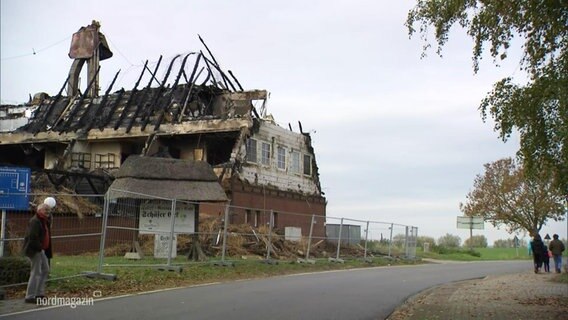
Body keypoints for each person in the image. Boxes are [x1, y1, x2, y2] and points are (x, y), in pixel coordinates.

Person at [23, 202, 53, 303]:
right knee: (36, 272)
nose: (48, 212)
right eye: (45, 210)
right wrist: (40, 248)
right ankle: (30, 296)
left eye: (49, 210)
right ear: (40, 210)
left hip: (41, 249)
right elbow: (32, 237)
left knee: (45, 269)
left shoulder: (44, 220)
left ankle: (39, 293)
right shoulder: (35, 221)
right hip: (35, 249)